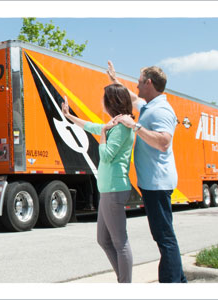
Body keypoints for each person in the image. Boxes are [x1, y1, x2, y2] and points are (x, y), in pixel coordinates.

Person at [107, 61, 187, 283]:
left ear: (149, 82)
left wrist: (135, 127)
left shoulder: (161, 110)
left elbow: (163, 142)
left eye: (140, 81)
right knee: (164, 235)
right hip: (152, 182)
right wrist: (115, 80)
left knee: (164, 238)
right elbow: (133, 98)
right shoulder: (150, 105)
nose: (137, 85)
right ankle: (179, 282)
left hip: (158, 183)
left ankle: (171, 283)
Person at [61, 84, 135, 283]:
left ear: (112, 101)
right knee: (103, 239)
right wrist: (68, 116)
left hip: (115, 189)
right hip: (107, 190)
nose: (101, 101)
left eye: (104, 98)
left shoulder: (121, 128)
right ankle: (123, 279)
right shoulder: (114, 124)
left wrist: (102, 134)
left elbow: (106, 155)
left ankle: (125, 284)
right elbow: (90, 126)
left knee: (120, 242)